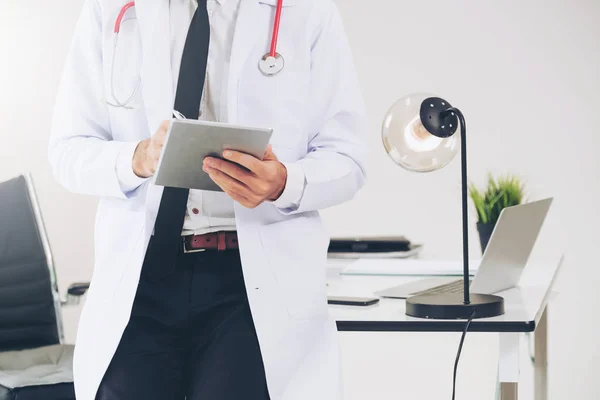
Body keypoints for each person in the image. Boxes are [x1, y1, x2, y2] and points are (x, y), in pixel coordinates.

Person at [49, 0, 367, 399]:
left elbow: (348, 158)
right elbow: (67, 150)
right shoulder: (110, 9)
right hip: (141, 278)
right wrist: (137, 157)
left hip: (247, 287)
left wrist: (284, 181)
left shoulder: (307, 11)